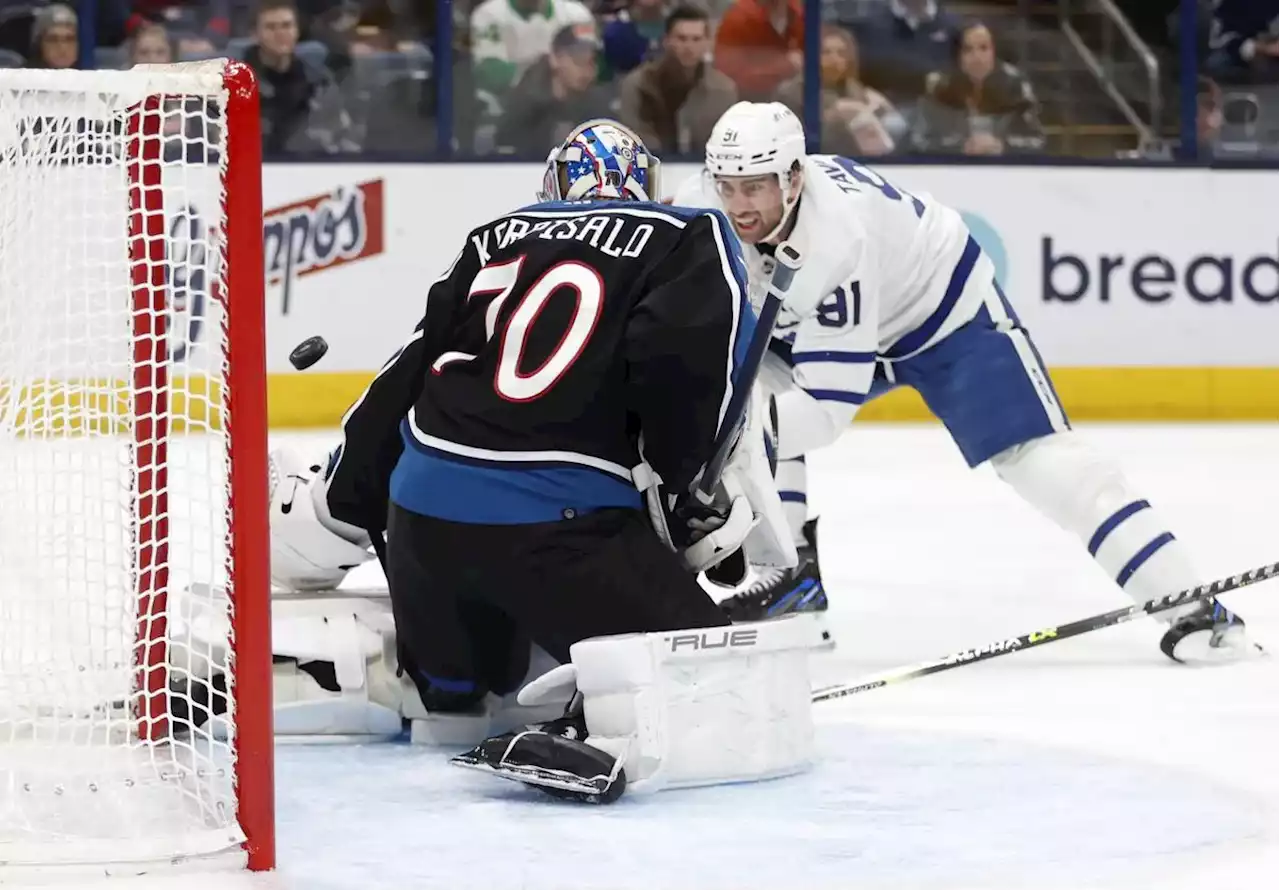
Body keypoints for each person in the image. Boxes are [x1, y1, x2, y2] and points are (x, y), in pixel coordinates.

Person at [261, 119, 807, 802]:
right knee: (703, 672)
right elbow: (684, 386)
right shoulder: (687, 236)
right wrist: (684, 498)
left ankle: (439, 678)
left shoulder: (495, 237)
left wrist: (346, 502)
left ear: (553, 184)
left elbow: (400, 387)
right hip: (558, 533)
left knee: (464, 695)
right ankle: (586, 719)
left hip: (425, 529)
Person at [671, 100, 1263, 665]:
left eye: (755, 186)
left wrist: (723, 437)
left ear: (793, 179)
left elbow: (827, 410)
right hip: (824, 311)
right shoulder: (701, 210)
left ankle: (1196, 611)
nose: (739, 204)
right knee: (752, 394)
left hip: (940, 310)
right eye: (727, 185)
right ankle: (792, 584)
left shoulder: (837, 241)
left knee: (1044, 463)